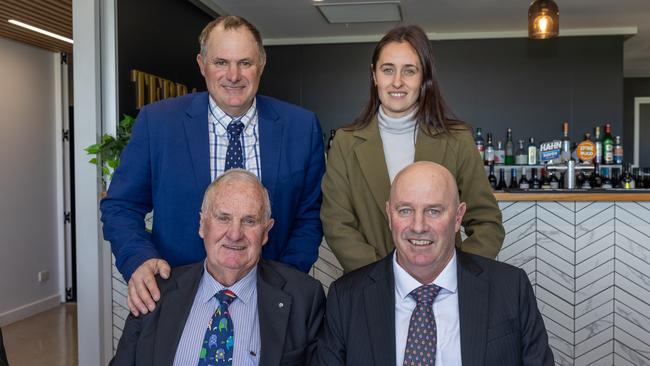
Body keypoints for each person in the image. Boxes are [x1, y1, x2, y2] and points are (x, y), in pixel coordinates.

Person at [101, 15, 325, 316]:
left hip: (271, 302)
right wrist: (138, 259)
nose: (233, 75)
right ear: (201, 64)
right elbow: (120, 206)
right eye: (221, 62)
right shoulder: (158, 123)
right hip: (175, 295)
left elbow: (309, 215)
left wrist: (284, 278)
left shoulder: (301, 126)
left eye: (245, 62)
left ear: (261, 64)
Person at [317, 162, 553, 366]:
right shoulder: (346, 298)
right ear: (390, 215)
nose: (418, 226)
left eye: (433, 211)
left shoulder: (510, 287)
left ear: (458, 216)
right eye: (405, 210)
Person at [321, 24, 504, 273]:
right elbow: (336, 223)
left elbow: (486, 222)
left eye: (409, 71)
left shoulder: (457, 139)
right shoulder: (345, 142)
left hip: (444, 291)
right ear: (374, 75)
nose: (397, 82)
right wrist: (381, 278)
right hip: (371, 287)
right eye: (388, 70)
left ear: (424, 78)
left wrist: (456, 276)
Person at [111, 169, 325, 365]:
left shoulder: (304, 297)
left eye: (249, 221)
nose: (235, 234)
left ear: (266, 231)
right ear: (202, 225)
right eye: (223, 218)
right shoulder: (156, 293)